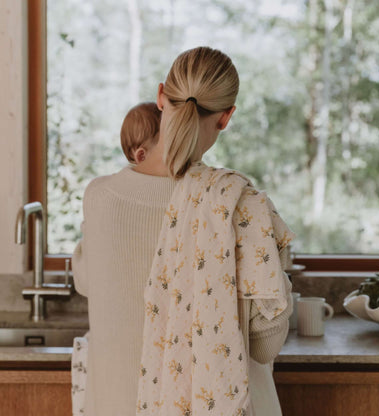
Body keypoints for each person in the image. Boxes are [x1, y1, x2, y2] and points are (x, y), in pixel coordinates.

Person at [73, 46, 294, 416]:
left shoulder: (99, 196)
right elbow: (265, 347)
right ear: (226, 118)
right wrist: (277, 269)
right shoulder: (239, 203)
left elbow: (88, 282)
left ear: (162, 97)